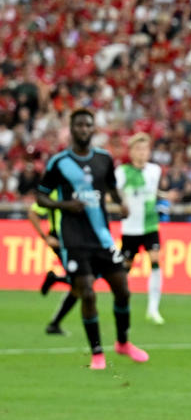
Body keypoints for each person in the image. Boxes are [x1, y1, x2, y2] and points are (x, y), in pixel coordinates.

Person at [35, 108, 148, 369]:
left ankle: (122, 343)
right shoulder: (59, 162)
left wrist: (122, 203)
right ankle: (97, 353)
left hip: (102, 237)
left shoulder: (104, 159)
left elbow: (110, 186)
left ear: (93, 129)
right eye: (79, 125)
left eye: (88, 125)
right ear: (71, 129)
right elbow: (40, 196)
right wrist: (64, 205)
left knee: (123, 289)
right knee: (86, 292)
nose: (84, 129)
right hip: (74, 238)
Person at [116, 132, 168, 324]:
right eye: (138, 149)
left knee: (155, 260)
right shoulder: (122, 172)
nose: (142, 152)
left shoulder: (155, 170)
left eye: (145, 149)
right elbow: (115, 194)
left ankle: (153, 308)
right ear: (131, 152)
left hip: (150, 224)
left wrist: (166, 195)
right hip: (130, 227)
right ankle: (120, 301)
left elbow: (154, 192)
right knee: (125, 269)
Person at [27, 200, 78, 335]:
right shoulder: (55, 190)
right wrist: (45, 237)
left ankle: (55, 278)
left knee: (82, 282)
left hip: (79, 240)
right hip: (61, 240)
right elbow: (33, 212)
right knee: (82, 282)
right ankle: (54, 325)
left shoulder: (79, 187)